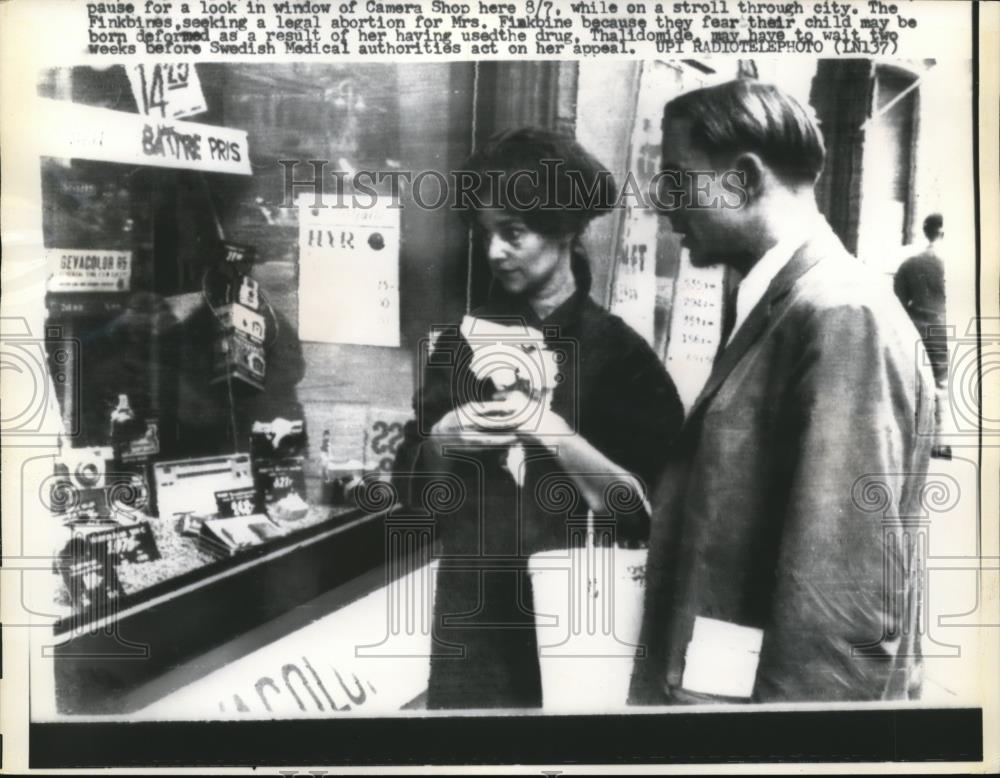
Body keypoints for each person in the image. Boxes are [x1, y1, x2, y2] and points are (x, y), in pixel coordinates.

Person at [629, 79, 936, 704]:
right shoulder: (792, 303)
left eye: (676, 182)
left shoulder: (839, 315)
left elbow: (837, 609)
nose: (665, 208)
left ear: (742, 177)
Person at [394, 127, 684, 709]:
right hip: (473, 619)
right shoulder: (462, 345)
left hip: (583, 618)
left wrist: (545, 426)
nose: (495, 251)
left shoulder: (621, 357)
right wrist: (442, 440)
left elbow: (647, 512)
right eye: (486, 234)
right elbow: (414, 489)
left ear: (566, 231)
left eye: (514, 233)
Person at [894, 213, 950, 457]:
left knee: (914, 381)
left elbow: (897, 301)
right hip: (942, 329)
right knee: (940, 383)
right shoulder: (954, 263)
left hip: (915, 328)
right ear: (944, 233)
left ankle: (912, 438)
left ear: (925, 231)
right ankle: (938, 442)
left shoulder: (910, 264)